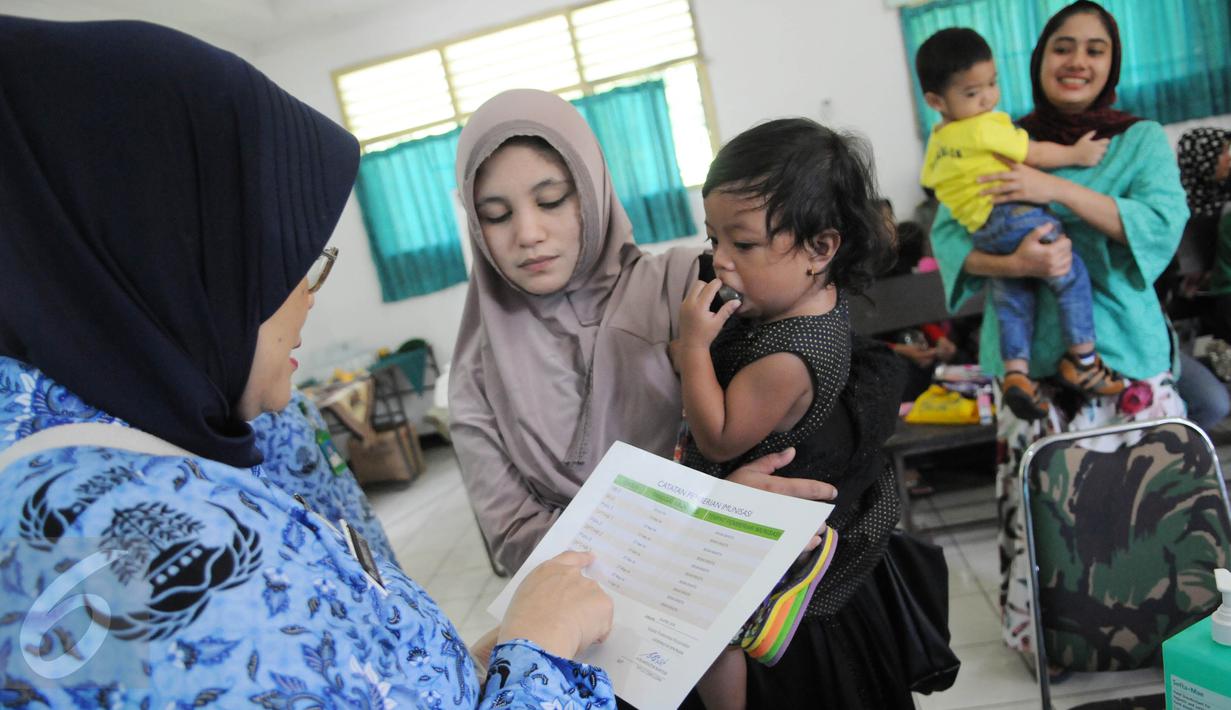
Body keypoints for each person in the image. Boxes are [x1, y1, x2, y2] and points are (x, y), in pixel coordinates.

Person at [0, 17, 615, 707]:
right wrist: (539, 655)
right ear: (173, 259)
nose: (308, 296)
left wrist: (461, 673)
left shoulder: (136, 450)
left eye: (550, 199)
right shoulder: (157, 557)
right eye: (284, 259)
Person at [451, 91, 917, 708]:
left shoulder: (685, 281)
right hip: (599, 644)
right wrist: (707, 521)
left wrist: (768, 494)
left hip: (768, 623)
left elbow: (839, 380)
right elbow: (521, 545)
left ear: (592, 190)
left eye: (552, 199)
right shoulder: (474, 381)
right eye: (495, 213)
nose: (528, 234)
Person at [929, 0, 1189, 657]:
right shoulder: (995, 133)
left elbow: (1160, 224)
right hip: (1030, 368)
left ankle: (1168, 641)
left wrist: (1053, 188)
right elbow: (949, 239)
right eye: (1062, 47)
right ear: (1039, 58)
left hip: (1122, 356)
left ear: (1112, 63)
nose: (1077, 61)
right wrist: (1015, 263)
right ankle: (1056, 647)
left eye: (1094, 49)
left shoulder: (1139, 139)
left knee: (1147, 507)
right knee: (1053, 519)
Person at [673, 117, 897, 709]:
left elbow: (720, 438)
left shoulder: (787, 357)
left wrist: (692, 348)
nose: (720, 261)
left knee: (708, 620)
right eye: (713, 239)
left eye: (743, 245)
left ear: (820, 249)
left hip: (761, 530)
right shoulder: (807, 302)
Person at [916, 27, 1125, 421]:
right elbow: (1035, 153)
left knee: (1012, 298)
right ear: (935, 100)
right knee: (1070, 275)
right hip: (1016, 214)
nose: (988, 98)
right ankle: (1083, 359)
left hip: (982, 231)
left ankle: (1016, 373)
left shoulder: (938, 141)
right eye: (973, 92)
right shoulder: (986, 125)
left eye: (992, 83)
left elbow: (935, 184)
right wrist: (1077, 154)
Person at [251, 388, 398, 564]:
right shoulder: (248, 417)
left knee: (378, 559)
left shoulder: (289, 393)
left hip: (347, 500)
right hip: (314, 522)